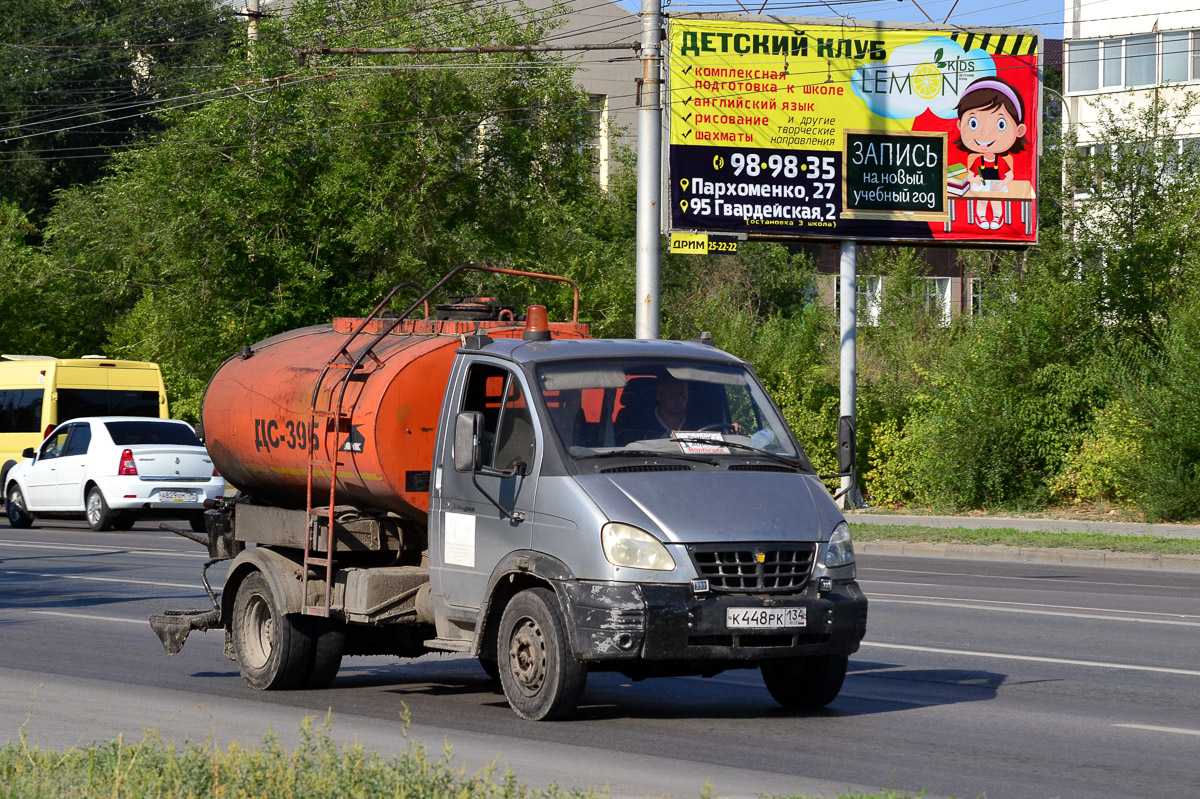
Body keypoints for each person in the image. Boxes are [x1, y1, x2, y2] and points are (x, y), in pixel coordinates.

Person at [954, 76, 1029, 231]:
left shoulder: (1000, 161)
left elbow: (1009, 175)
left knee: (996, 200)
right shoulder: (977, 160)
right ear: (960, 126)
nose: (984, 133)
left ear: (1019, 130)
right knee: (981, 200)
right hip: (981, 187)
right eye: (973, 123)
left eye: (1000, 125)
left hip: (995, 186)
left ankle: (997, 217)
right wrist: (974, 178)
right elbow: (970, 174)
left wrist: (1001, 183)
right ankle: (980, 216)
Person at [615, 376, 689, 445]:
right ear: (659, 395)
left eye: (682, 393)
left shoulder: (698, 424)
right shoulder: (635, 424)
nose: (678, 398)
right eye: (672, 393)